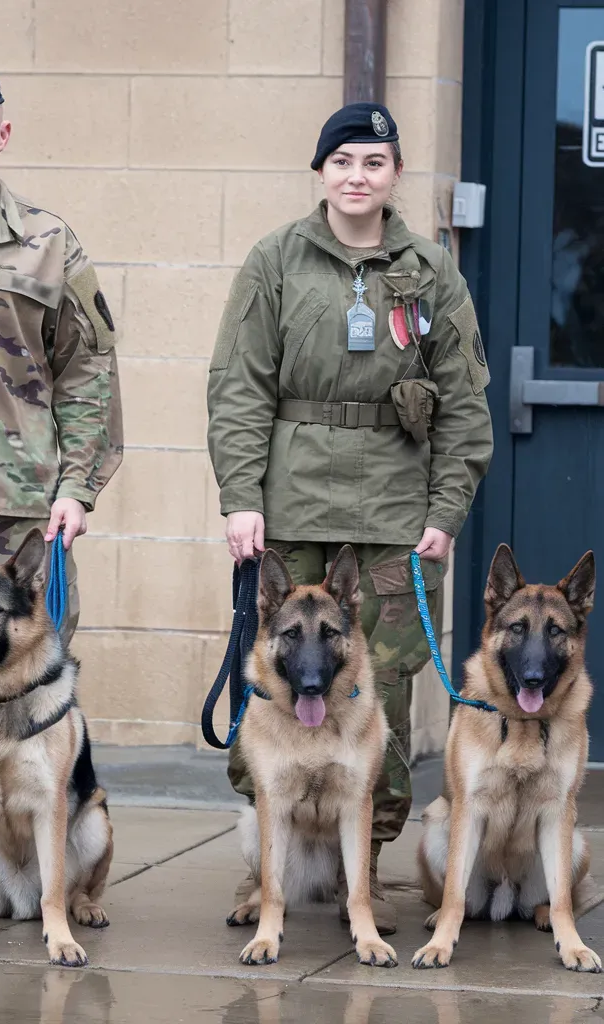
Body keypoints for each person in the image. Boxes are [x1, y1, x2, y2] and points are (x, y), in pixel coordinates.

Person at [207, 102, 493, 934]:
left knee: (383, 693)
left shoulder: (430, 269)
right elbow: (239, 386)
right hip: (290, 506)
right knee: (271, 682)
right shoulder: (277, 260)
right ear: (321, 173)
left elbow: (466, 403)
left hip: (395, 515)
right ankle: (266, 868)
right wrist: (240, 495)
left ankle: (362, 867)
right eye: (342, 162)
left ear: (395, 171)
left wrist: (446, 510)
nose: (356, 176)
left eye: (373, 161)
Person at [0, 66, 123, 912]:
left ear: (4, 135)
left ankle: (29, 878)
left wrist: (78, 486)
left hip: (22, 520)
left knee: (21, 697)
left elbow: (90, 372)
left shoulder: (50, 242)